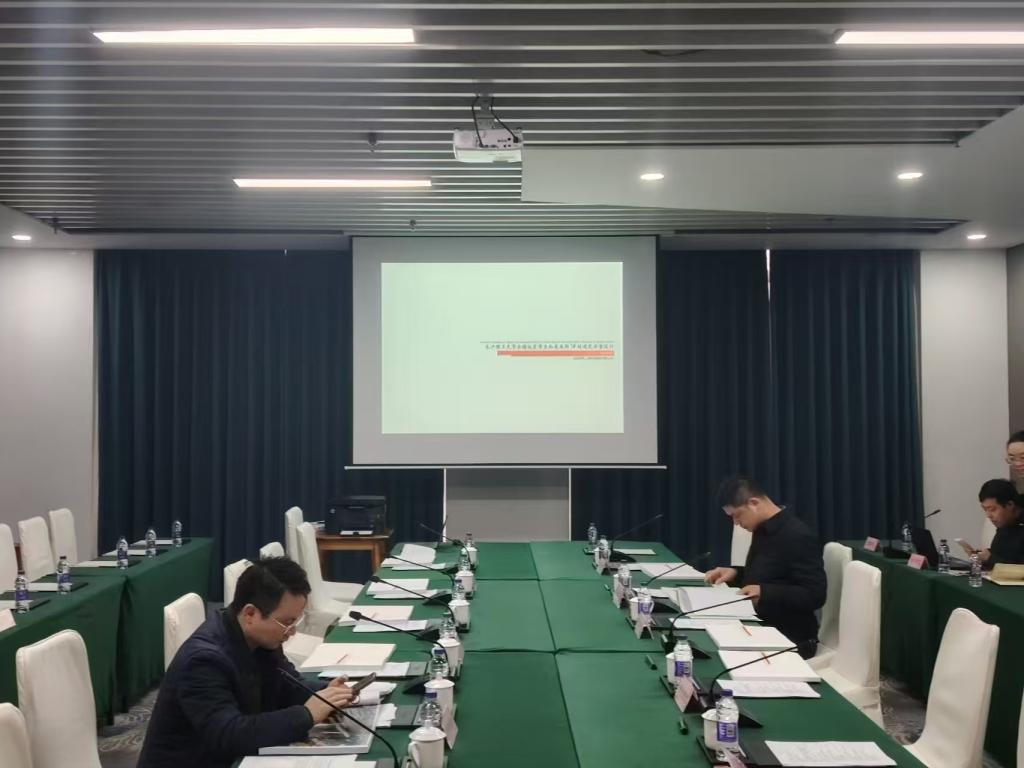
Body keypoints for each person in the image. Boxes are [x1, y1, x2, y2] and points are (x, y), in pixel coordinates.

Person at [138, 557, 357, 768]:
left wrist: (328, 692)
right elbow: (229, 734)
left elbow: (287, 685)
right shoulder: (203, 660)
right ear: (250, 614)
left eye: (296, 621)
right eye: (287, 622)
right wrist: (307, 714)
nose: (292, 632)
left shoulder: (261, 638)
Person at [704, 476, 826, 656]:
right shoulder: (762, 529)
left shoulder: (797, 535)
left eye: (737, 515)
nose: (736, 523)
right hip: (761, 624)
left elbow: (815, 594)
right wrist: (735, 573)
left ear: (754, 503)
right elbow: (768, 576)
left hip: (789, 637)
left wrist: (764, 592)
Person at [957, 478, 1024, 567]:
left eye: (992, 509)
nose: (988, 515)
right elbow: (1002, 555)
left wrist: (990, 559)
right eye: (985, 510)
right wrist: (981, 557)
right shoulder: (1005, 523)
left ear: (1010, 505)